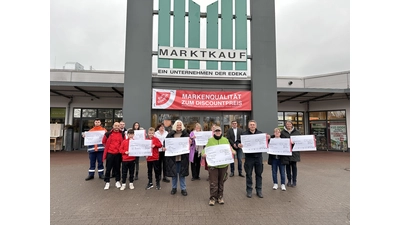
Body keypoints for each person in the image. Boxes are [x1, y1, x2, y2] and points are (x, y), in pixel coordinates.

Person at [201, 126, 236, 206]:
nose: (217, 132)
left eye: (219, 130)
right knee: (213, 182)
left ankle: (220, 197)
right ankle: (212, 198)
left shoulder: (225, 140)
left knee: (221, 182)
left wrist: (233, 152)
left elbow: (230, 149)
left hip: (223, 165)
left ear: (221, 132)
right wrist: (203, 154)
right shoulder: (210, 140)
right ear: (214, 132)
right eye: (216, 130)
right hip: (213, 164)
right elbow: (205, 150)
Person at [238, 120, 268, 198]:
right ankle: (249, 190)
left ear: (256, 126)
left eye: (253, 124)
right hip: (249, 158)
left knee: (259, 174)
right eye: (251, 124)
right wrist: (238, 144)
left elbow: (267, 142)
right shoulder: (244, 134)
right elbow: (237, 142)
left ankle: (259, 190)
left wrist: (268, 138)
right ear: (248, 126)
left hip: (258, 158)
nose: (252, 126)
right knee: (248, 174)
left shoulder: (260, 134)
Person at [163, 120, 191, 196]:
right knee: (174, 174)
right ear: (175, 126)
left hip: (182, 158)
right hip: (173, 158)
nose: (179, 126)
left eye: (180, 125)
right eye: (177, 125)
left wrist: (190, 143)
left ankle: (183, 189)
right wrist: (164, 148)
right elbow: (165, 143)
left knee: (182, 174)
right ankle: (174, 188)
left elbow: (189, 146)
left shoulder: (186, 135)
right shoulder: (170, 134)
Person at [102, 122, 124, 190]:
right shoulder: (108, 134)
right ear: (113, 126)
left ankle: (117, 181)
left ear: (119, 126)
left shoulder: (122, 134)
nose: (117, 127)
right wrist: (108, 147)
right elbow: (103, 141)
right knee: (108, 168)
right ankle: (107, 182)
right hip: (110, 153)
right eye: (115, 125)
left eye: (118, 126)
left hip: (118, 154)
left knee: (117, 168)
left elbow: (124, 143)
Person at [280, 120, 301, 187]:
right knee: (287, 167)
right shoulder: (282, 132)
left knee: (294, 167)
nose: (288, 125)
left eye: (289, 124)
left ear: (292, 125)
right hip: (286, 152)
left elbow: (301, 140)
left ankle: (294, 181)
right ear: (286, 125)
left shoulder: (297, 132)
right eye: (287, 124)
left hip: (294, 152)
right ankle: (289, 180)